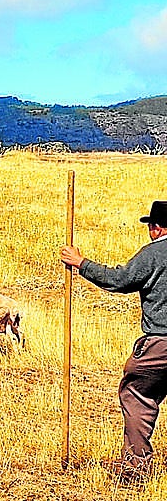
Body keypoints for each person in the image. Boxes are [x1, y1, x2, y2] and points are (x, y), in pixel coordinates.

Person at [61, 200, 167, 484]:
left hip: (161, 343)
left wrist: (81, 264)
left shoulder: (155, 254)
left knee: (137, 395)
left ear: (156, 228)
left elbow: (119, 280)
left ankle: (136, 468)